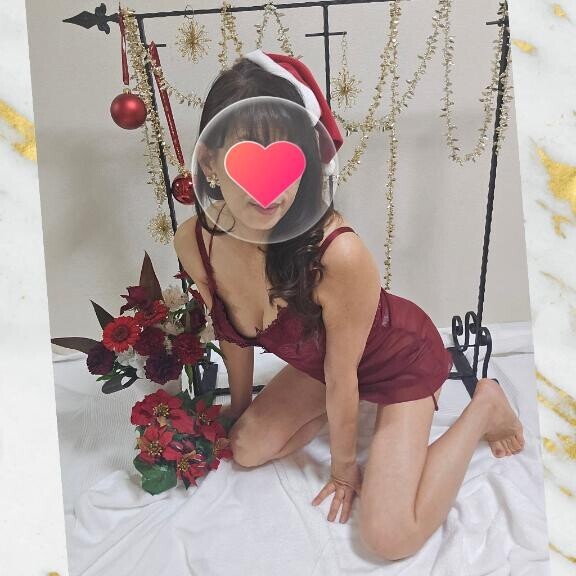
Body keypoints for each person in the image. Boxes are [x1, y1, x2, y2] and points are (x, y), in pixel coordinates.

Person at [173, 49, 525, 561]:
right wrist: (240, 408)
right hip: (324, 365)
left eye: (287, 157)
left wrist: (344, 467)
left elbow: (343, 377)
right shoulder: (197, 243)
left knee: (388, 538)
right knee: (245, 449)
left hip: (398, 360)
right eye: (245, 156)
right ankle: (339, 419)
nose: (268, 188)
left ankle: (484, 406)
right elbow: (233, 336)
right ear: (209, 161)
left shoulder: (337, 253)